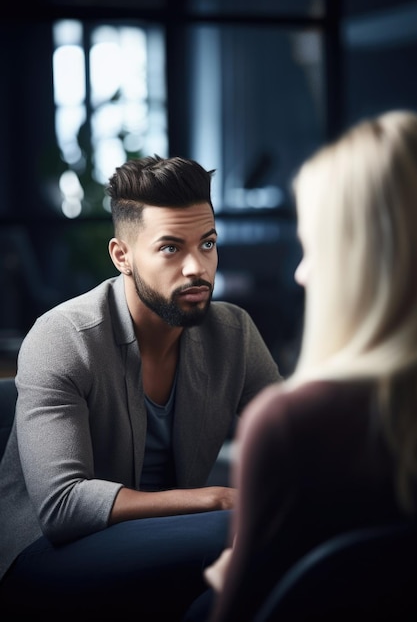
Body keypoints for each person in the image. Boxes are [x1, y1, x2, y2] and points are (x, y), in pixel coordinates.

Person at [0, 155, 281, 619]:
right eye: (171, 248)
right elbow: (64, 505)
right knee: (239, 529)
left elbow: (292, 442)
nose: (197, 267)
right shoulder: (63, 336)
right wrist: (217, 498)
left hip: (164, 538)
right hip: (42, 554)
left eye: (207, 244)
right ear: (122, 256)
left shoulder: (232, 331)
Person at [184, 110, 417, 622]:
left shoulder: (293, 425)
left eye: (314, 249)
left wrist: (229, 579)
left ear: (360, 263)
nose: (301, 273)